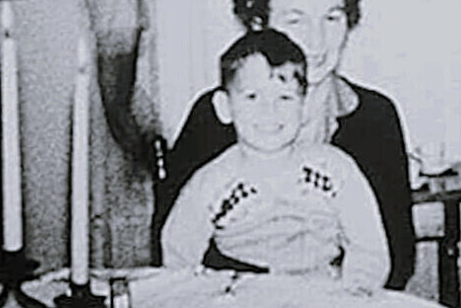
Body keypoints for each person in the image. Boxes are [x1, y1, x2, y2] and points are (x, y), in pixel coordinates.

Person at [156, 0, 415, 289]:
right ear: (259, 25)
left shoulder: (375, 117)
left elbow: (396, 257)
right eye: (296, 20)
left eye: (332, 18)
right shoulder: (216, 115)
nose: (317, 40)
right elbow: (174, 252)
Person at [160, 29, 390, 291]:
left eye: (284, 98)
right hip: (243, 298)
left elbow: (369, 249)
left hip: (327, 294)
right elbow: (178, 260)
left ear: (304, 106)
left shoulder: (336, 169)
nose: (269, 111)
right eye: (252, 97)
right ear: (224, 107)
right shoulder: (209, 183)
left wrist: (356, 294)